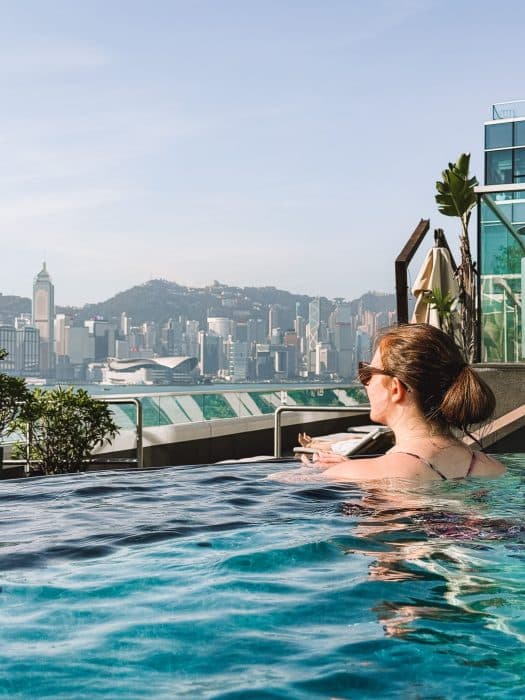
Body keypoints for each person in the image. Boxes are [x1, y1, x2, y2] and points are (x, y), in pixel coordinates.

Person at [305, 323, 505, 481]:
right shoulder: (496, 469)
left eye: (367, 374)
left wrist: (328, 472)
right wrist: (353, 467)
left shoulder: (355, 475)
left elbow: (278, 486)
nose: (364, 383)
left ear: (395, 388)